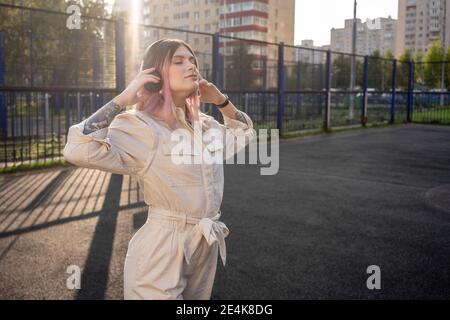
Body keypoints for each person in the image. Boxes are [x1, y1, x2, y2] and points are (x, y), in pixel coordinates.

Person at [63, 38, 255, 300]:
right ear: (153, 74)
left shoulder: (205, 126)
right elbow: (77, 148)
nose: (191, 66)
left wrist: (221, 101)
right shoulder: (141, 126)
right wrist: (122, 99)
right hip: (163, 246)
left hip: (204, 243)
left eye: (192, 61)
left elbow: (244, 134)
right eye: (178, 61)